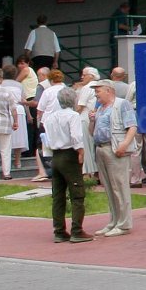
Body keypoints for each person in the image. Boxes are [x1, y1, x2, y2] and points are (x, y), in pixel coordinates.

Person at [41, 86, 90, 242]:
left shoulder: (50, 118)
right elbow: (76, 136)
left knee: (58, 195)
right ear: (73, 100)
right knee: (77, 193)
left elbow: (47, 139)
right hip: (69, 154)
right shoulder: (73, 116)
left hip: (55, 155)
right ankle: (77, 230)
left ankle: (59, 230)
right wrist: (81, 151)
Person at [89, 80, 137, 236]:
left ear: (108, 90)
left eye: (98, 91)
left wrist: (124, 144)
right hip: (101, 148)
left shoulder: (122, 104)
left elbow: (132, 126)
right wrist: (92, 121)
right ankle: (114, 221)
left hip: (115, 149)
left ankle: (124, 224)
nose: (96, 94)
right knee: (109, 188)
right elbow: (92, 132)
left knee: (120, 187)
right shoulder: (100, 108)